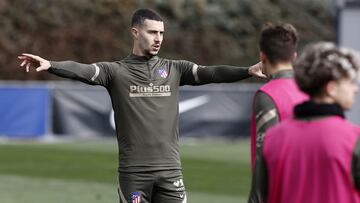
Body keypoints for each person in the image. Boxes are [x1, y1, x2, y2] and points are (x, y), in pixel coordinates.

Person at [18, 8, 265, 203]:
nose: (158, 39)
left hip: (171, 173)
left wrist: (247, 71)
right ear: (135, 32)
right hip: (133, 175)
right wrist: (51, 64)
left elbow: (210, 73)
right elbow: (84, 70)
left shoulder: (174, 69)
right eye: (152, 32)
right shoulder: (115, 72)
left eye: (161, 33)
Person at [248, 42, 360, 203]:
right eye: (350, 82)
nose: (355, 89)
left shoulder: (273, 138)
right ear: (331, 88)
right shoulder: (353, 138)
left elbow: (261, 196)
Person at [250, 22, 307, 169]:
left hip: (282, 190)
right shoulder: (311, 91)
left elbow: (264, 159)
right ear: (294, 56)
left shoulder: (266, 95)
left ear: (262, 56)